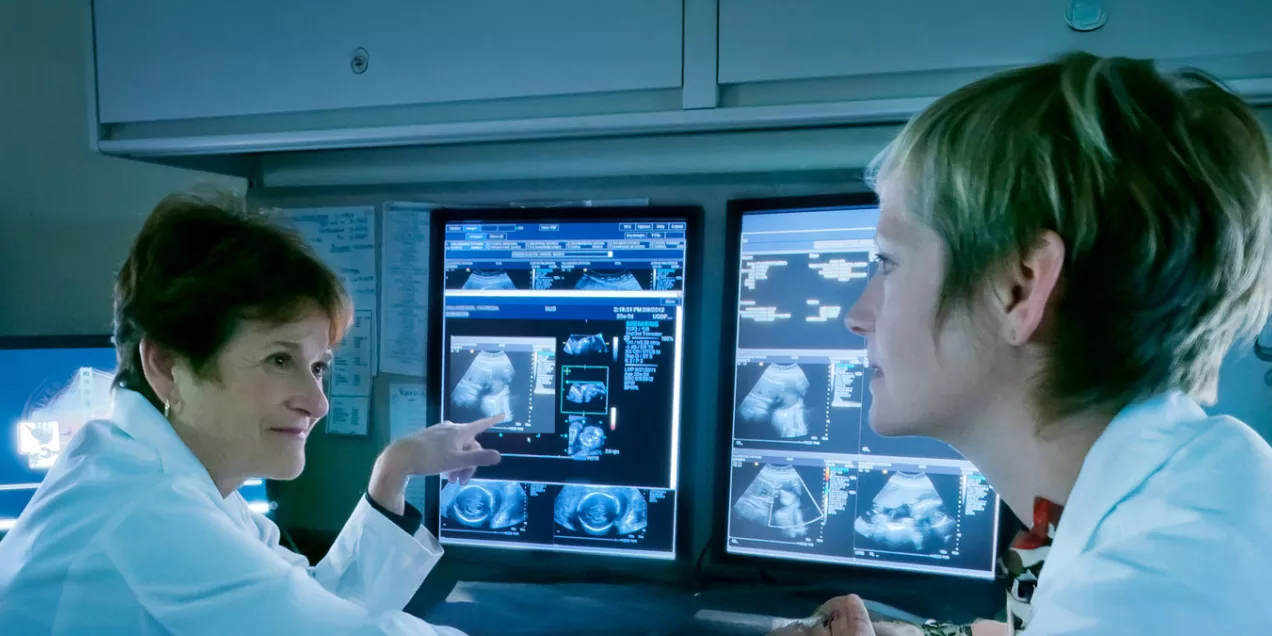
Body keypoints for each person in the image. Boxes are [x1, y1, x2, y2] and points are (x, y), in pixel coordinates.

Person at [772, 52, 1272, 635]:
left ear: (1019, 288)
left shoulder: (1146, 597)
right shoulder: (1198, 495)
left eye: (888, 263)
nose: (857, 316)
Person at [0, 190, 502, 635]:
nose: (318, 402)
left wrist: (393, 473)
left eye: (318, 367)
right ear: (168, 365)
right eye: (279, 359)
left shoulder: (167, 473)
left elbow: (316, 604)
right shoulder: (149, 512)